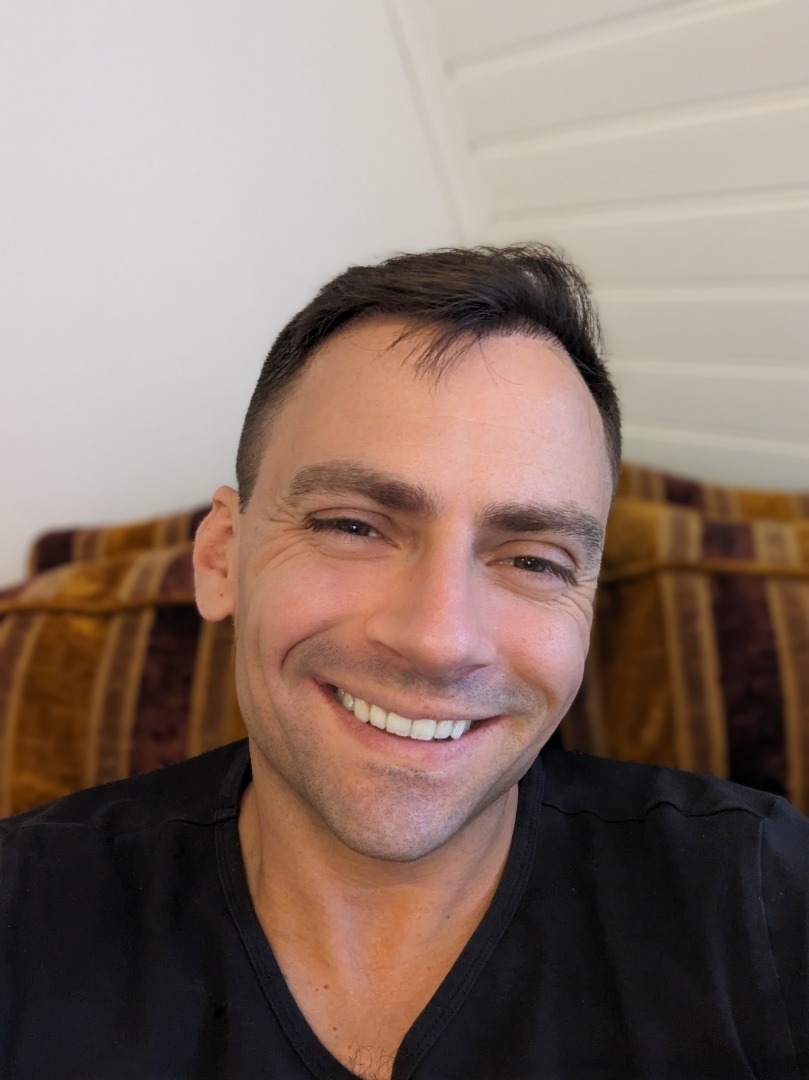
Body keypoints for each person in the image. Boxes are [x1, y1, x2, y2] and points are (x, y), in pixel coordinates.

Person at [0, 245, 807, 1080]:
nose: (438, 639)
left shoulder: (757, 894)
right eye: (352, 526)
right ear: (220, 558)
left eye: (534, 560)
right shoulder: (24, 909)